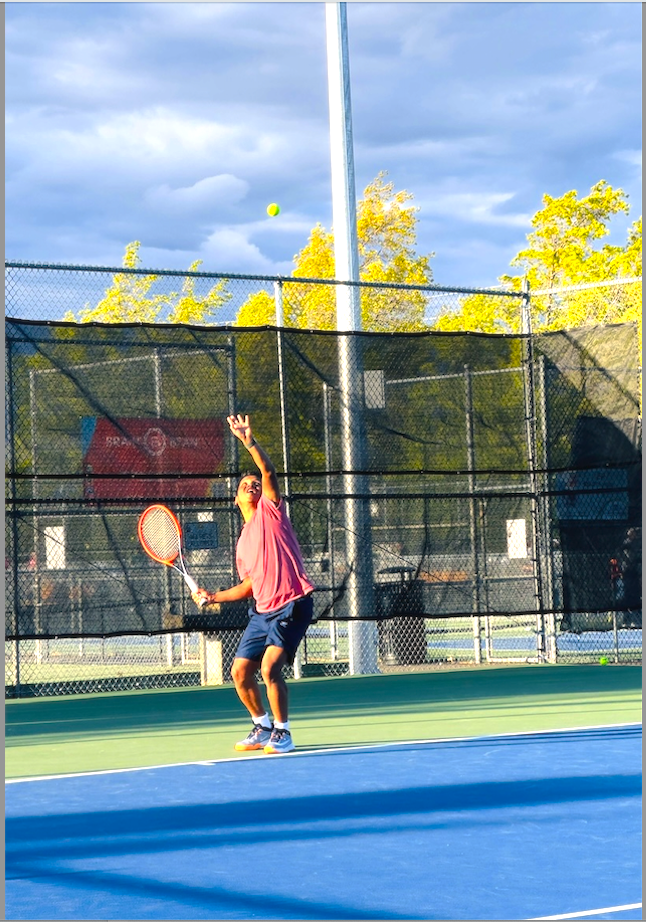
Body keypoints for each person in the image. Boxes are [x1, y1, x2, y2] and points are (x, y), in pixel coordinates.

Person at [192, 414, 315, 755]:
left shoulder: (272, 511)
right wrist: (213, 595)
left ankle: (283, 731)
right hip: (261, 611)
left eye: (255, 483)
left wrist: (248, 441)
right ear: (235, 499)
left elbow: (269, 473)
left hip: (293, 602)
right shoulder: (243, 543)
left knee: (269, 667)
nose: (252, 485)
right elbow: (248, 585)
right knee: (240, 672)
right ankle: (261, 725)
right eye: (244, 484)